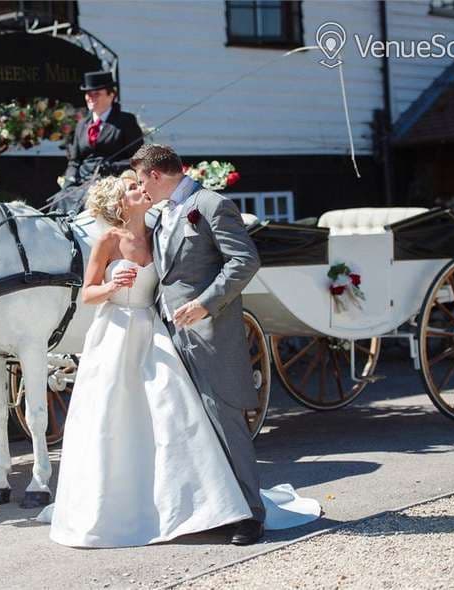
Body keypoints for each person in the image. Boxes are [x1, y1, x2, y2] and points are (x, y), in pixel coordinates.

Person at [37, 170, 320, 548]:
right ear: (120, 203)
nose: (141, 190)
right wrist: (111, 286)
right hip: (114, 335)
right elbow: (87, 293)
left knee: (173, 413)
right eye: (133, 188)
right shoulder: (108, 240)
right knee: (111, 418)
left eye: (140, 184)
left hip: (154, 333)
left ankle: (194, 505)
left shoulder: (159, 233)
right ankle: (117, 507)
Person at [131, 143, 276, 545]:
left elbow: (244, 261)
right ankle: (212, 509)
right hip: (168, 333)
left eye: (142, 180)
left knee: (225, 419)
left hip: (209, 332)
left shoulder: (210, 205)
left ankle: (251, 515)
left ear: (156, 175)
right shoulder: (162, 214)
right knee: (188, 425)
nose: (141, 188)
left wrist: (205, 304)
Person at [46, 71, 144, 215]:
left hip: (111, 182)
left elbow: (139, 159)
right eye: (88, 94)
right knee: (59, 200)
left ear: (111, 95)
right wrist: (69, 180)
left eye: (96, 94)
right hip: (82, 182)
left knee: (89, 202)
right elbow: (75, 161)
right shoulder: (82, 125)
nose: (90, 98)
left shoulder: (126, 121)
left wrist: (112, 166)